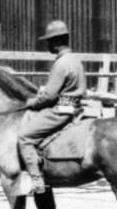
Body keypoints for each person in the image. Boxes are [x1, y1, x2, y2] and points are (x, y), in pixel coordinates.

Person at [16, 19, 88, 196]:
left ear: (56, 42)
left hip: (61, 110)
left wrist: (32, 103)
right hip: (75, 106)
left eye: (48, 41)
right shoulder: (74, 60)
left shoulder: (61, 63)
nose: (47, 44)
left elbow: (50, 95)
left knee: (24, 137)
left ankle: (36, 179)